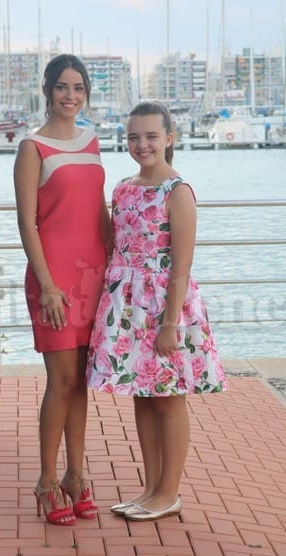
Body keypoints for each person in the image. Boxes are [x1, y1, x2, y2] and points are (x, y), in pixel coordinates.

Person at [86, 101, 227, 521]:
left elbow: (181, 266)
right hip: (127, 307)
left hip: (164, 307)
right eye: (134, 136)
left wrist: (170, 325)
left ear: (169, 138)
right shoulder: (122, 188)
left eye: (150, 136)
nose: (142, 144)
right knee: (142, 397)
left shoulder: (177, 191)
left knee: (168, 400)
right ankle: (149, 489)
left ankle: (169, 492)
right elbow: (113, 247)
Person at [14, 54, 110, 525]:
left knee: (81, 382)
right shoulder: (32, 148)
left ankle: (76, 475)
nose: (70, 96)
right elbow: (27, 223)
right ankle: (47, 481)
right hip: (52, 279)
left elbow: (100, 212)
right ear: (47, 91)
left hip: (95, 276)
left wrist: (116, 271)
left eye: (78, 88)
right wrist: (48, 285)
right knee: (62, 380)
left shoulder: (92, 142)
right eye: (62, 87)